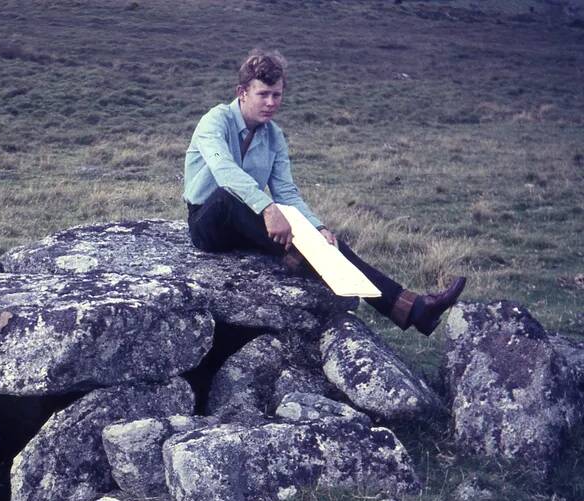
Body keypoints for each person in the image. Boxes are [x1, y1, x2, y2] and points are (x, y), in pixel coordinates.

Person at [183, 49, 465, 335]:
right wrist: (269, 210)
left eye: (277, 95)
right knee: (227, 197)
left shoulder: (274, 135)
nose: (271, 103)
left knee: (325, 242)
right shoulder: (215, 120)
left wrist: (317, 227)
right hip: (209, 223)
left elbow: (286, 192)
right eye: (263, 94)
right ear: (242, 92)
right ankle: (302, 257)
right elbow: (225, 172)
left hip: (247, 225)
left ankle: (411, 307)